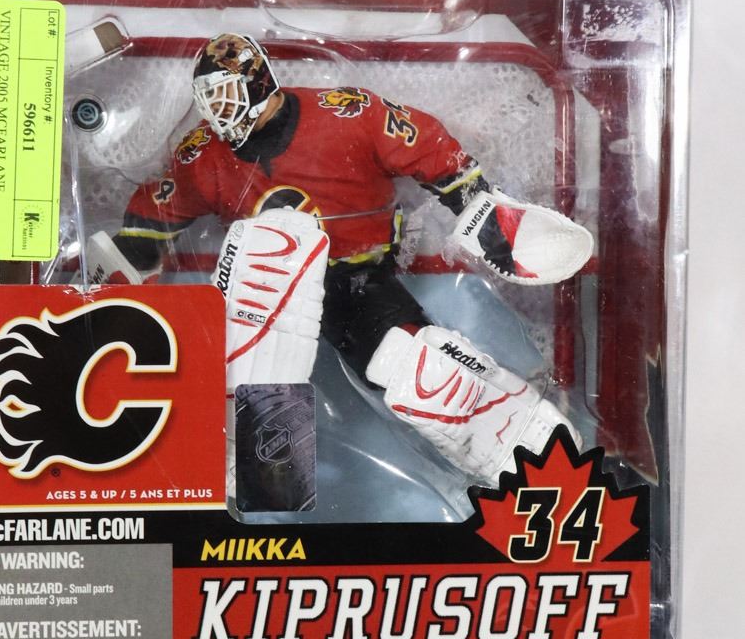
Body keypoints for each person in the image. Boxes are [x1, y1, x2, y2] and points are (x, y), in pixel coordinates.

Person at [82, 33, 593, 483]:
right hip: (270, 291)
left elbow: (423, 143)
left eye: (225, 95)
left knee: (409, 366)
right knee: (266, 252)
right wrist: (131, 257)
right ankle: (248, 463)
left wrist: (476, 204)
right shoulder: (203, 156)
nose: (217, 112)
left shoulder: (345, 114)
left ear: (259, 83)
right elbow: (162, 206)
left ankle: (513, 434)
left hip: (356, 280)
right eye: (208, 100)